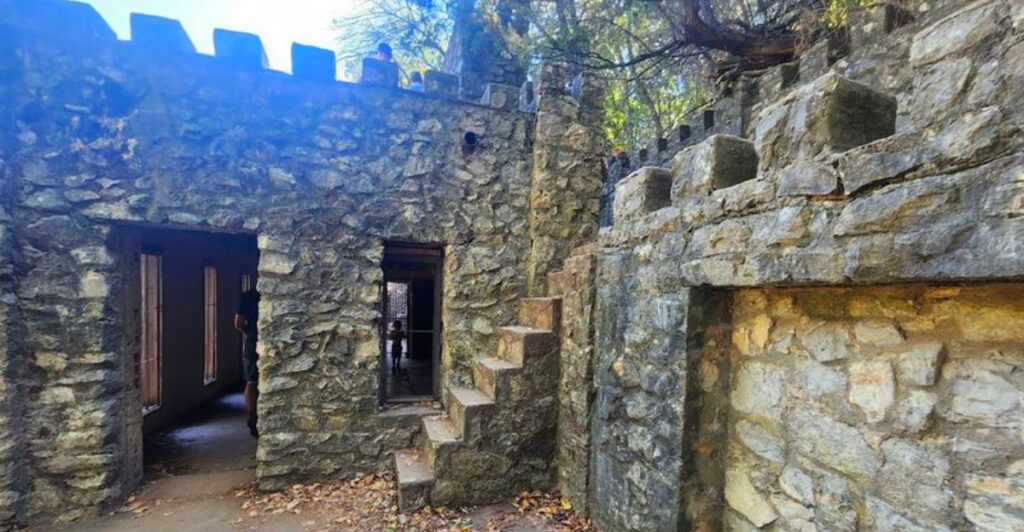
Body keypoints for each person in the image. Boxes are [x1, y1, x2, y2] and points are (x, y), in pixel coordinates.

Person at [234, 287, 260, 438]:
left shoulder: (248, 296)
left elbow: (238, 322)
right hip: (269, 342)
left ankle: (252, 416)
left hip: (253, 342)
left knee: (252, 381)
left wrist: (248, 332)